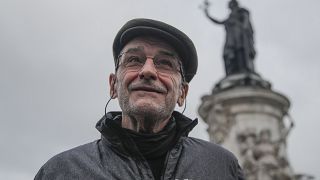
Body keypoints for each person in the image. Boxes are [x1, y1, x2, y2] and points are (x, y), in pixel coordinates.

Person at [35, 18, 244, 180]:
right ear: (113, 85)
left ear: (182, 93)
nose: (148, 71)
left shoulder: (222, 166)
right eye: (134, 60)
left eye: (165, 63)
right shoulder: (60, 171)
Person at [203, 0, 256, 75]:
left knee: (240, 50)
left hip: (240, 36)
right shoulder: (230, 18)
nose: (229, 7)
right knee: (228, 53)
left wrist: (244, 31)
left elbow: (246, 22)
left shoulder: (241, 11)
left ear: (234, 4)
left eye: (230, 5)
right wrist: (207, 13)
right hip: (231, 39)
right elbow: (218, 22)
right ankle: (233, 71)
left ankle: (243, 69)